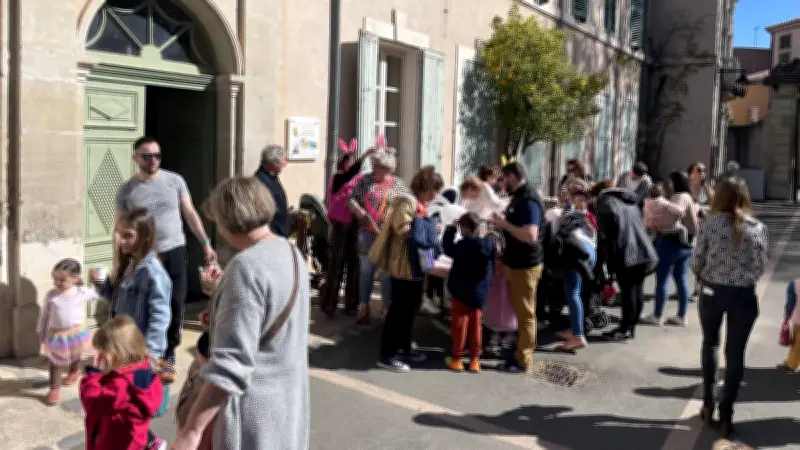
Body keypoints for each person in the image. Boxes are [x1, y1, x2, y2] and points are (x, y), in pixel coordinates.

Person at [173, 177, 310, 450]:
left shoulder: (246, 267)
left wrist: (191, 431)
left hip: (251, 416)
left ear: (227, 221)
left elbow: (230, 366)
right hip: (286, 405)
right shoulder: (291, 251)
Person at [116, 136, 216, 383]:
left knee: (175, 303)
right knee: (143, 304)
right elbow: (119, 227)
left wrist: (205, 243)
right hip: (143, 255)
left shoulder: (174, 181)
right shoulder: (127, 190)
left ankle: (168, 354)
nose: (153, 161)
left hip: (174, 250)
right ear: (135, 158)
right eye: (147, 156)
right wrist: (118, 260)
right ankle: (142, 353)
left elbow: (189, 213)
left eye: (157, 156)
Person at [692, 176, 768, 437]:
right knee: (736, 354)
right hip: (744, 295)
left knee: (711, 344)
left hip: (713, 290)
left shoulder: (709, 225)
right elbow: (760, 266)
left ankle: (708, 402)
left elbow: (697, 260)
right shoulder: (757, 227)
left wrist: (704, 275)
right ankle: (727, 413)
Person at [370, 166, 442, 372]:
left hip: (415, 266)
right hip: (404, 266)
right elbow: (404, 230)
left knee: (410, 309)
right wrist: (431, 228)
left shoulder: (419, 204)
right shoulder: (407, 202)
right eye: (433, 189)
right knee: (398, 311)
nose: (435, 194)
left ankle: (403, 347)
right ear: (425, 187)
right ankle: (387, 356)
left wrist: (428, 226)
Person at [91, 208, 172, 364]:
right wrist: (101, 284)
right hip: (121, 345)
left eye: (128, 235)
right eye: (120, 235)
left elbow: (160, 316)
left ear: (145, 236)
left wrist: (151, 354)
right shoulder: (129, 264)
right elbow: (117, 302)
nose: (121, 241)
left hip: (138, 350)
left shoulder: (153, 273)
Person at [80, 316, 166, 450]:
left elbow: (92, 401)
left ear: (115, 354)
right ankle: (152, 442)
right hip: (132, 441)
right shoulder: (145, 371)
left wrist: (93, 372)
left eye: (102, 353)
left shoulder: (120, 384)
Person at [491, 162, 545, 373]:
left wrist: (505, 225)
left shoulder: (529, 200)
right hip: (516, 262)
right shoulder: (519, 197)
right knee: (520, 312)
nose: (501, 184)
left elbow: (530, 236)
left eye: (503, 179)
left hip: (526, 265)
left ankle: (523, 360)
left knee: (525, 315)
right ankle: (518, 352)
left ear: (512, 177)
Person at [348, 144, 409, 324]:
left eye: (377, 166)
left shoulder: (398, 184)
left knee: (385, 273)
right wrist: (357, 210)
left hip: (388, 234)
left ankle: (386, 307)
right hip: (367, 233)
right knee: (366, 270)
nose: (373, 169)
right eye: (373, 164)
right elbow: (352, 199)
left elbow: (406, 205)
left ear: (387, 169)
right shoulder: (365, 181)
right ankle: (363, 307)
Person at [594, 182, 658, 342]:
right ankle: (630, 328)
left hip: (626, 253)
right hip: (644, 250)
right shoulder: (629, 201)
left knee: (629, 292)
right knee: (636, 291)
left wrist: (606, 257)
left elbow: (610, 230)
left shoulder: (605, 201)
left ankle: (624, 330)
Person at [320, 140, 375, 317]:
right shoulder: (338, 177)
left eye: (352, 161)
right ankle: (329, 303)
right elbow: (351, 174)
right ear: (342, 163)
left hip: (354, 224)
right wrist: (364, 155)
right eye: (348, 161)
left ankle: (352, 304)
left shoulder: (359, 179)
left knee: (354, 263)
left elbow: (370, 181)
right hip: (340, 225)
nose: (350, 164)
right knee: (336, 263)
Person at [37, 259, 97, 405]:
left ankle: (74, 371)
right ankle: (54, 388)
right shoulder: (51, 295)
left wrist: (95, 282)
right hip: (56, 334)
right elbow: (44, 315)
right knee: (55, 362)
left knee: (76, 354)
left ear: (75, 278)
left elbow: (96, 295)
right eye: (55, 278)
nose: (57, 282)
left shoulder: (81, 292)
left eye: (62, 279)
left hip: (77, 332)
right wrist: (41, 331)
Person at [643, 171, 698, 327]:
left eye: (670, 181)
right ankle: (682, 315)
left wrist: (657, 224)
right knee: (681, 279)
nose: (669, 184)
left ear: (674, 182)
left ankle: (657, 315)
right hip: (687, 243)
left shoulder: (679, 197)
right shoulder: (689, 196)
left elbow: (674, 215)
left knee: (662, 279)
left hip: (671, 241)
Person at [442, 213, 496, 373]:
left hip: (461, 291)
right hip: (479, 293)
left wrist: (450, 229)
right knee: (476, 326)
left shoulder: (462, 245)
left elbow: (447, 247)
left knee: (459, 325)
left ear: (464, 228)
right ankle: (475, 360)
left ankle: (457, 358)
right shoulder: (489, 244)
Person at [554, 187, 597, 351]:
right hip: (586, 255)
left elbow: (564, 226)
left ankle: (578, 336)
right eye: (575, 198)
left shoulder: (578, 215)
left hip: (578, 255)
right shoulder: (590, 216)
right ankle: (574, 329)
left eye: (580, 199)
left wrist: (569, 207)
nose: (576, 201)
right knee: (573, 292)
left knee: (572, 293)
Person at [254, 144, 291, 238]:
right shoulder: (261, 180)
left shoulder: (272, 176)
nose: (285, 163)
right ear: (273, 162)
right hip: (271, 234)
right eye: (283, 160)